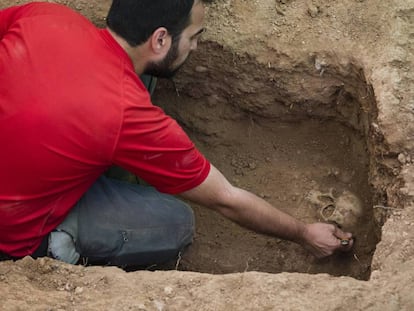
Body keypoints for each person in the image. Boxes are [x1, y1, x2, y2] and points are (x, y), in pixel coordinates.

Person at [0, 0, 353, 267]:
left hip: (29, 157)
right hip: (12, 231)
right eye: (194, 36)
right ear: (160, 39)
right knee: (176, 222)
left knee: (143, 76)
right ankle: (56, 246)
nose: (196, 47)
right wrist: (304, 233)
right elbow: (225, 198)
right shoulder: (127, 115)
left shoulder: (45, 17)